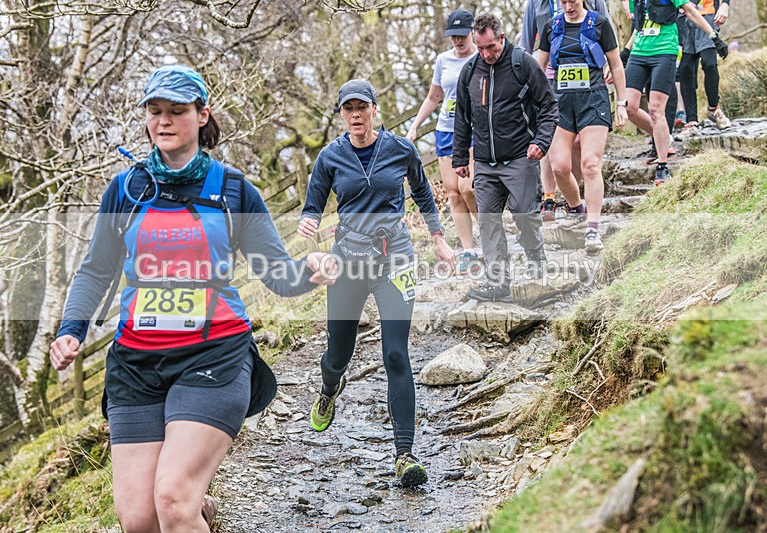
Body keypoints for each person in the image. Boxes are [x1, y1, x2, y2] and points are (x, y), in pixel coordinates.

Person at [49, 64, 336, 532]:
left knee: (174, 499)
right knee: (139, 519)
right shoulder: (125, 189)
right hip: (136, 364)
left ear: (203, 115)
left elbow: (278, 276)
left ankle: (191, 513)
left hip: (214, 355)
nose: (163, 121)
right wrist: (71, 330)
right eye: (155, 111)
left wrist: (311, 269)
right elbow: (96, 270)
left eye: (177, 111)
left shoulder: (234, 190)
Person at [298, 79, 455, 488]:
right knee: (337, 354)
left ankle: (405, 455)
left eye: (361, 107)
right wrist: (308, 220)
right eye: (347, 108)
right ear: (342, 114)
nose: (355, 114)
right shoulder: (330, 157)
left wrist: (438, 238)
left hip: (395, 258)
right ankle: (330, 388)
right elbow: (312, 204)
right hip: (348, 261)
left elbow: (422, 191)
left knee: (396, 356)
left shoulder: (400, 149)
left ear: (373, 109)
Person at [453, 13, 558, 302]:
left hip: (520, 156)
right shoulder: (470, 71)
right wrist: (460, 157)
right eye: (480, 48)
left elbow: (549, 107)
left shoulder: (522, 63)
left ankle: (536, 255)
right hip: (485, 162)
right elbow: (462, 118)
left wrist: (541, 141)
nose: (486, 54)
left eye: (491, 47)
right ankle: (497, 282)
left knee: (525, 214)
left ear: (502, 38)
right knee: (488, 220)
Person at [537, 0, 628, 253]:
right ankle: (577, 206)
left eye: (572, 1)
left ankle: (592, 228)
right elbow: (539, 67)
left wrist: (622, 103)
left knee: (590, 164)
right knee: (559, 167)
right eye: (563, 2)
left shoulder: (599, 23)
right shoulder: (551, 26)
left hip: (593, 98)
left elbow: (616, 64)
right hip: (560, 102)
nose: (568, 6)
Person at [519, 0, 612, 221]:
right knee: (554, 156)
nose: (568, 6)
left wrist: (607, 65)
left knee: (584, 153)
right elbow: (526, 42)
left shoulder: (595, 7)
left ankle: (582, 206)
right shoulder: (537, 5)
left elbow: (608, 40)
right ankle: (550, 197)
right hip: (552, 81)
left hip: (589, 81)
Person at [406, 9, 480, 275]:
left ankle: (491, 235)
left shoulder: (481, 57)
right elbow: (434, 97)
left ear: (472, 32)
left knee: (468, 187)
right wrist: (415, 125)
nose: (458, 41)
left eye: (462, 36)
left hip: (472, 131)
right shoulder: (443, 60)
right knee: (452, 192)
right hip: (446, 130)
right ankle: (469, 251)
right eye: (453, 37)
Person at [624, 0, 728, 184]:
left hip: (664, 51)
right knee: (629, 108)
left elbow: (691, 11)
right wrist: (625, 51)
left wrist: (714, 36)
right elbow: (640, 22)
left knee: (656, 110)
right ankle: (663, 138)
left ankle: (662, 166)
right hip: (639, 53)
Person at [677, 0, 732, 135]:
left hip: (708, 15)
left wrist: (725, 4)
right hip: (682, 18)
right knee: (685, 68)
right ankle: (691, 120)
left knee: (709, 64)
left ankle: (714, 108)